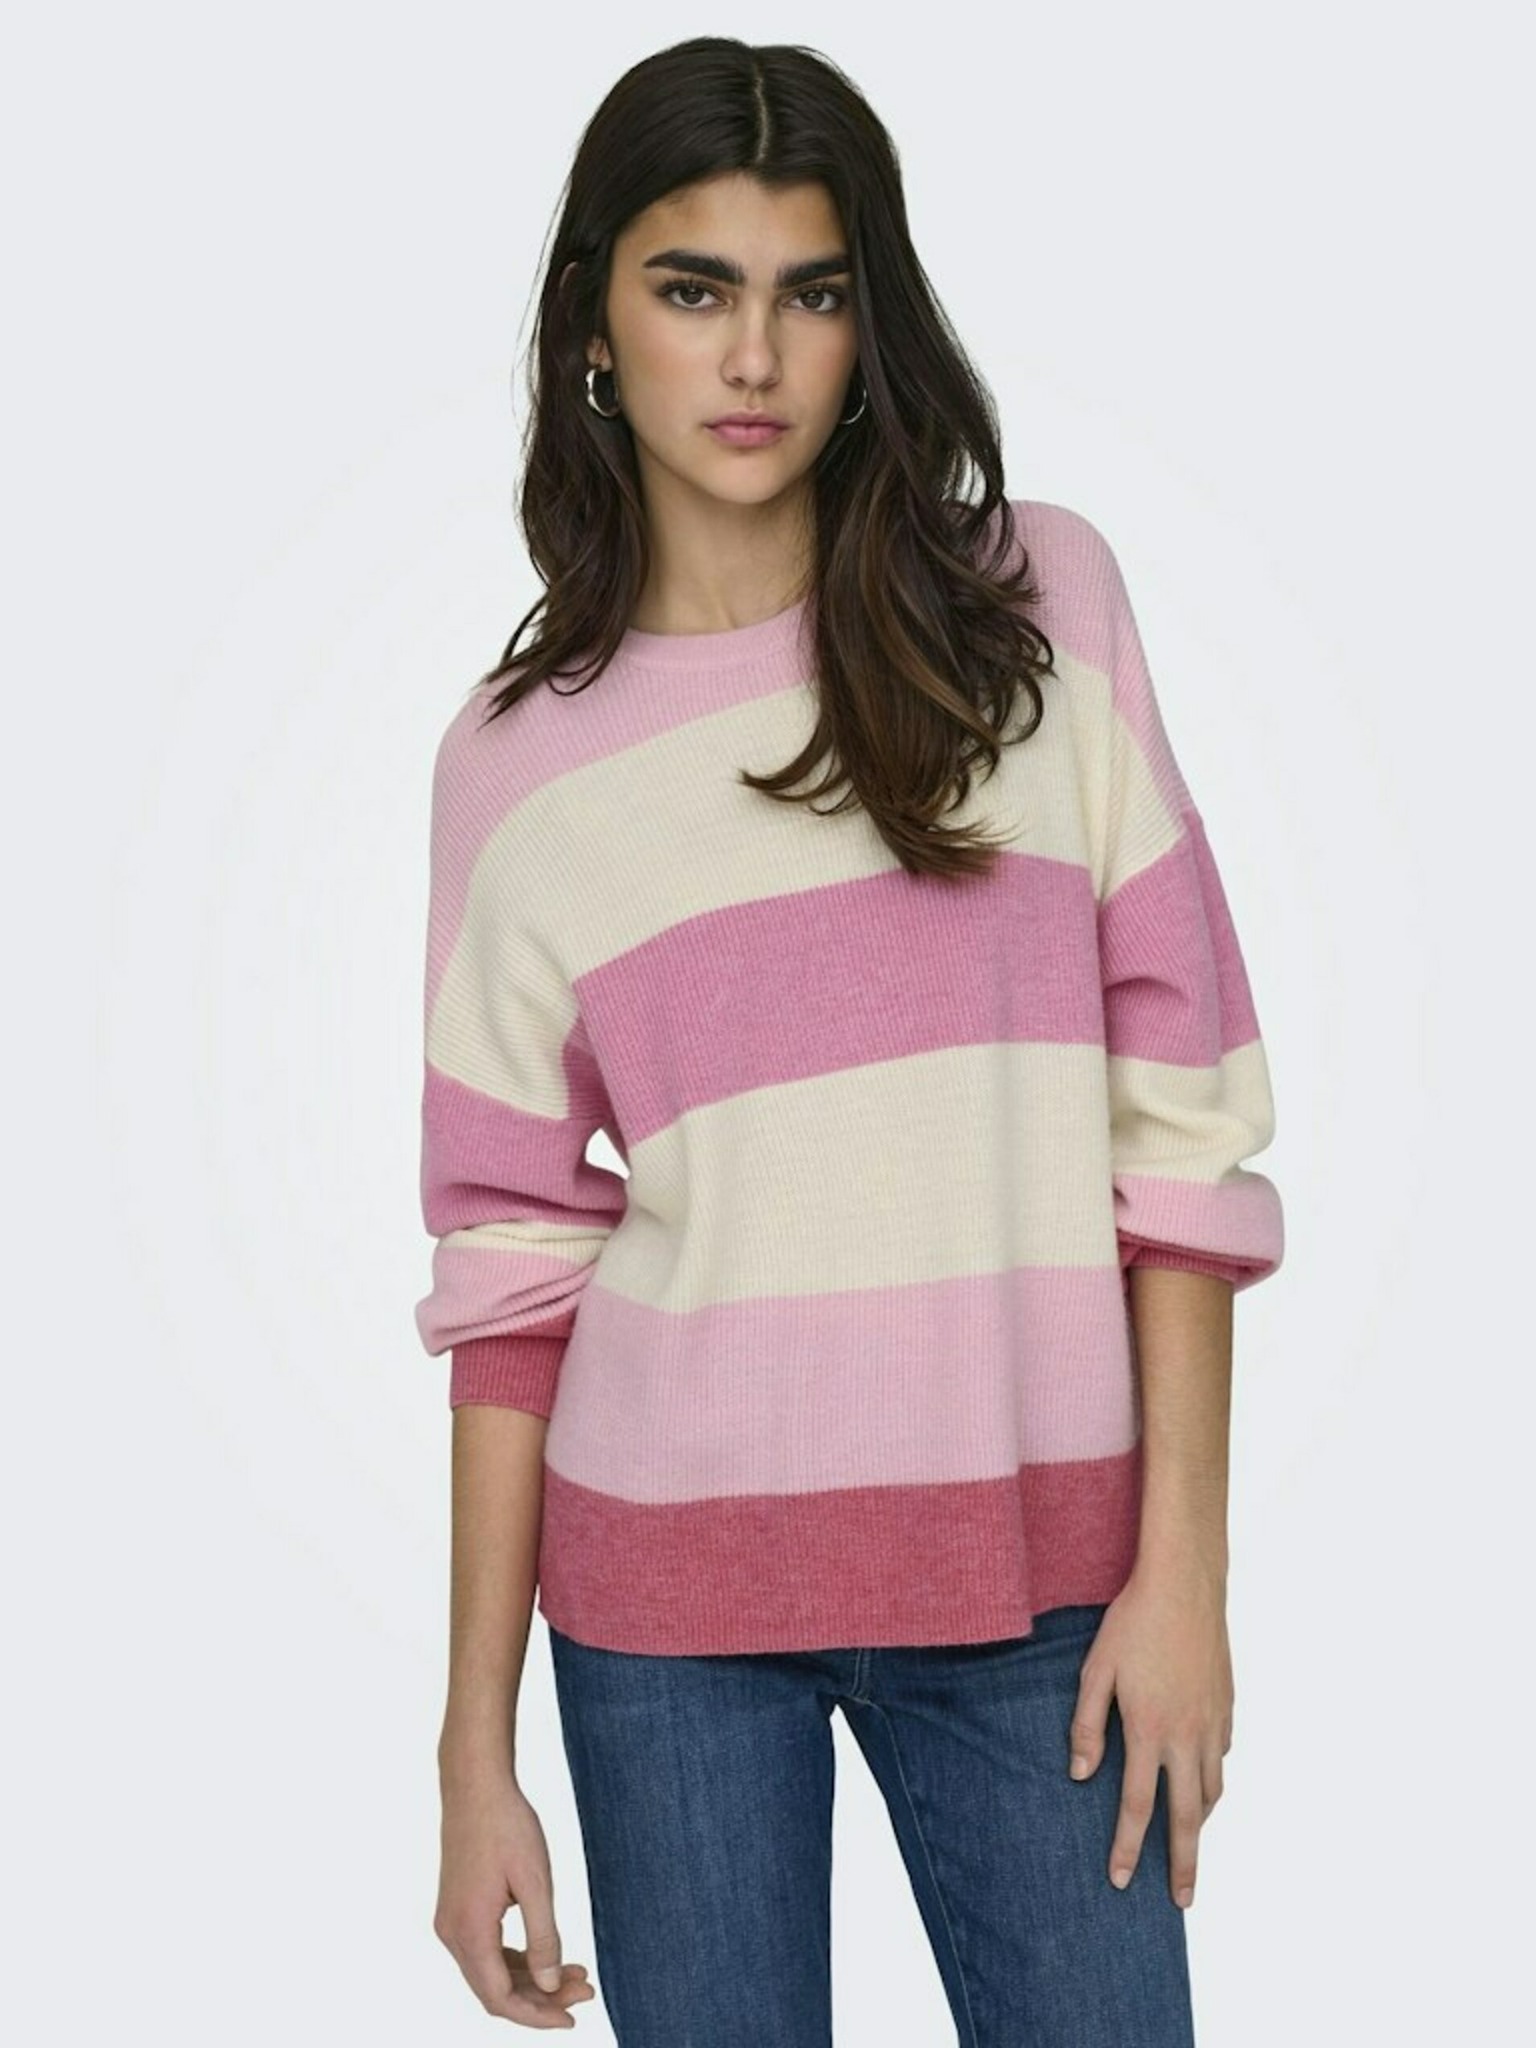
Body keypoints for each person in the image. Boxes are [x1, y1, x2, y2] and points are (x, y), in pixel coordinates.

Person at [415, 35, 1283, 2047]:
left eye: (810, 292)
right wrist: (474, 1752)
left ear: (866, 321)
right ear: (594, 325)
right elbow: (509, 1269)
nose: (754, 357)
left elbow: (1181, 1133)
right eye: (692, 287)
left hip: (1043, 1586)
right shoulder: (514, 766)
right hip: (663, 1620)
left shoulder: (1038, 609)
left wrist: (1184, 1573)